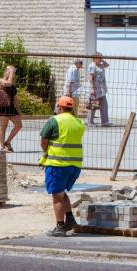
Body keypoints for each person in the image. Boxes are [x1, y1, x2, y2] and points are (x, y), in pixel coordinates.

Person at [39, 95, 85, 237]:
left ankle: (60, 226)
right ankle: (70, 219)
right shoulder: (79, 122)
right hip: (75, 165)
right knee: (61, 192)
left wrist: (46, 153)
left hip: (58, 164)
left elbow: (43, 140)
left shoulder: (54, 120)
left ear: (59, 107)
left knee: (56, 196)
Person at [0, 65, 22, 152]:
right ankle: (2, 146)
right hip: (3, 107)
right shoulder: (1, 81)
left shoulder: (12, 85)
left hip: (11, 107)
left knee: (19, 125)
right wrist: (11, 73)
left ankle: (7, 142)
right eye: (8, 71)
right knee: (3, 127)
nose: (10, 73)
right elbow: (9, 83)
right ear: (5, 72)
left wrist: (18, 109)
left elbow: (15, 97)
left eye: (11, 72)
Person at [87, 53, 110, 127]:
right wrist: (92, 88)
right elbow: (91, 77)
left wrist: (102, 60)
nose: (100, 59)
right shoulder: (92, 66)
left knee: (104, 105)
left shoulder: (100, 65)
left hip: (101, 89)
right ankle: (90, 122)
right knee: (93, 105)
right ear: (95, 58)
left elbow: (107, 65)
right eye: (99, 58)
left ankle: (105, 121)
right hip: (95, 89)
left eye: (101, 58)